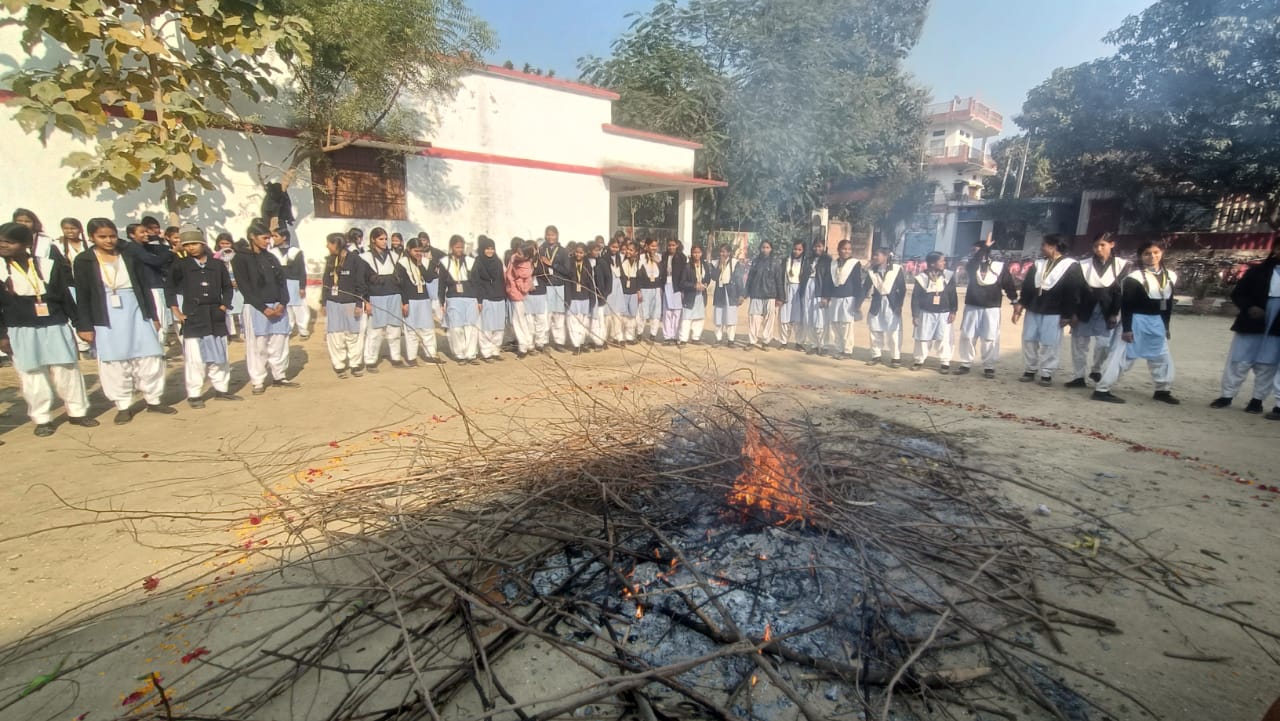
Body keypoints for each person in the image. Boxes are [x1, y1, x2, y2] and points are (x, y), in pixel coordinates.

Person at [0, 222, 97, 436]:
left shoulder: (48, 265)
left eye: (9, 242)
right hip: (20, 329)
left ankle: (77, 412)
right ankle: (42, 418)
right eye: (0, 242)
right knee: (32, 374)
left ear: (26, 243)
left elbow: (65, 297)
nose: (3, 245)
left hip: (55, 324)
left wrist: (80, 324)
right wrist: (2, 335)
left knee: (67, 370)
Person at [74, 218, 174, 424]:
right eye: (102, 237)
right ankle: (123, 404)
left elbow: (144, 286)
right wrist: (84, 325)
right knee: (115, 361)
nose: (108, 240)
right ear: (92, 237)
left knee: (149, 356)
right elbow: (83, 295)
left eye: (112, 236)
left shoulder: (128, 254)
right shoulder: (84, 260)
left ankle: (153, 399)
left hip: (136, 308)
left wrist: (153, 316)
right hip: (106, 313)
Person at [1093, 241, 1179, 404]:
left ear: (1161, 253)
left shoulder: (1170, 276)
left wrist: (1166, 326)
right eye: (1147, 253)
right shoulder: (1134, 278)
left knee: (1161, 356)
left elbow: (1167, 305)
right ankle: (1102, 389)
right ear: (1141, 256)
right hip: (1136, 321)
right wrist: (1127, 329)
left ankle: (1162, 390)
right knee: (1122, 357)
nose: (1152, 256)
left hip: (1157, 321)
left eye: (1155, 252)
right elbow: (1127, 305)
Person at [166, 225, 238, 408]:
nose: (191, 248)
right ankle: (195, 394)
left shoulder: (217, 265)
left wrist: (224, 305)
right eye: (187, 245)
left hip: (215, 315)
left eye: (194, 244)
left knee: (220, 355)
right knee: (195, 359)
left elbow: (227, 287)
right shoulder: (181, 265)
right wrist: (176, 311)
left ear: (203, 243)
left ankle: (221, 389)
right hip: (193, 316)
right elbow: (169, 288)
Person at [1210, 244, 1279, 414]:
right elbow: (1238, 294)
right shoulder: (1257, 271)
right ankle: (1227, 395)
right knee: (1239, 359)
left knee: (1268, 363)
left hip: (1277, 325)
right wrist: (1249, 307)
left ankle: (1257, 400)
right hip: (1252, 321)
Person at [233, 220, 298, 394]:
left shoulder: (271, 257)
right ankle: (258, 380)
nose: (267, 241)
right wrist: (263, 308)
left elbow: (281, 282)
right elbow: (245, 287)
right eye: (264, 238)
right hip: (256, 307)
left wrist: (282, 302)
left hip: (277, 305)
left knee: (279, 342)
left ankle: (279, 376)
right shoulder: (240, 258)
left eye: (269, 238)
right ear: (252, 237)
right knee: (258, 345)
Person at [1012, 235, 1085, 386]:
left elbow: (1073, 291)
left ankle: (1046, 373)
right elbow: (1028, 287)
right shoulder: (1038, 264)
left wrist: (1067, 314)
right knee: (1029, 339)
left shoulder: (1071, 266)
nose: (1041, 248)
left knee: (1050, 342)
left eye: (1044, 245)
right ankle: (1030, 369)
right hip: (1034, 308)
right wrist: (1021, 303)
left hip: (1055, 310)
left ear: (1053, 246)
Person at [1067, 232, 1127, 388]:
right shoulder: (1083, 265)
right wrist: (1073, 313)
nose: (1098, 249)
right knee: (1079, 344)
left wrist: (1114, 313)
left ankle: (1096, 369)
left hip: (1107, 310)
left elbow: (1120, 292)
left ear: (1112, 244)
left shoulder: (1122, 265)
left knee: (1104, 344)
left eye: (1102, 245)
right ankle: (1079, 376)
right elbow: (1075, 290)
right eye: (1095, 246)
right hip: (1084, 308)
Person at [957, 237, 1019, 378]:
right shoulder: (972, 265)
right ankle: (965, 363)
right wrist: (984, 248)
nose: (973, 253)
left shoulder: (999, 266)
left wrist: (1014, 301)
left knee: (990, 337)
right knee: (967, 335)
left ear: (985, 251)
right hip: (973, 305)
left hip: (992, 307)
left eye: (975, 250)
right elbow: (974, 263)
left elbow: (1008, 285)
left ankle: (989, 366)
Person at [123, 216, 176, 346]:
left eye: (146, 231)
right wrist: (172, 252)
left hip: (157, 285)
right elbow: (154, 261)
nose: (146, 234)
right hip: (151, 287)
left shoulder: (145, 247)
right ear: (132, 235)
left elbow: (159, 248)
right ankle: (157, 347)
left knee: (164, 319)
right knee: (159, 320)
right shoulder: (133, 248)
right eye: (142, 232)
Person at [321, 232, 367, 377]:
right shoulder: (331, 260)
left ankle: (355, 364)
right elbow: (326, 282)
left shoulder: (355, 259)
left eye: (329, 243)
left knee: (354, 335)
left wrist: (359, 303)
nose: (327, 246)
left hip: (351, 303)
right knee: (335, 335)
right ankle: (339, 365)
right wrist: (324, 302)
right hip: (333, 303)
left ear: (336, 244)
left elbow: (361, 283)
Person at [361, 227, 405, 370]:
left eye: (386, 239)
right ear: (373, 240)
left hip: (394, 296)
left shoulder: (394, 256)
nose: (384, 241)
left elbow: (401, 280)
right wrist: (366, 302)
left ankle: (396, 357)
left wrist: (402, 300)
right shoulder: (365, 257)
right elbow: (362, 282)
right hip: (376, 297)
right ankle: (370, 360)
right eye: (381, 239)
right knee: (375, 331)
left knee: (395, 329)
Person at [910, 251, 958, 372]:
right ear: (932, 263)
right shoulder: (921, 278)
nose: (944, 263)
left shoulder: (948, 276)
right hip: (926, 312)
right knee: (923, 338)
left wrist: (953, 311)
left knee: (944, 338)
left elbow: (953, 294)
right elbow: (915, 297)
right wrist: (915, 315)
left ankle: (945, 362)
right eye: (941, 261)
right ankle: (919, 360)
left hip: (944, 312)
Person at [398, 237, 442, 366]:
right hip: (410, 299)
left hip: (424, 298)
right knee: (411, 329)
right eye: (415, 251)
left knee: (427, 328)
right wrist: (404, 302)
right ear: (409, 249)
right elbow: (401, 285)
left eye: (420, 251)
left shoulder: (426, 262)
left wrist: (420, 264)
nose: (418, 253)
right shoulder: (402, 263)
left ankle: (431, 355)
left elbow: (429, 278)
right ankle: (412, 357)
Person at [819, 239, 865, 360]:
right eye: (844, 249)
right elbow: (828, 281)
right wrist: (825, 297)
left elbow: (857, 283)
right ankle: (839, 349)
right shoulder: (833, 264)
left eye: (849, 249)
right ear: (839, 250)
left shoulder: (854, 264)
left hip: (848, 298)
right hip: (835, 298)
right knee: (835, 324)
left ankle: (847, 351)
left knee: (846, 325)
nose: (846, 251)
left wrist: (858, 302)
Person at [440, 235, 480, 364]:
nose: (460, 250)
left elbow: (476, 282)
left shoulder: (470, 261)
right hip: (453, 298)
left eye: (461, 247)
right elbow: (441, 284)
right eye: (457, 247)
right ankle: (459, 354)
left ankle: (471, 354)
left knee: (471, 327)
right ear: (452, 247)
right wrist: (441, 301)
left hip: (470, 297)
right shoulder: (445, 262)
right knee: (456, 328)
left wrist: (479, 300)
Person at [864, 246, 906, 368]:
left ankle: (895, 357)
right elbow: (865, 287)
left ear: (886, 256)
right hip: (877, 304)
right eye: (874, 255)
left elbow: (902, 289)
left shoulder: (896, 269)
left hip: (892, 304)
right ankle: (876, 355)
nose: (874, 257)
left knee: (894, 332)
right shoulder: (872, 271)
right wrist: (857, 303)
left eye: (877, 255)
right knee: (875, 330)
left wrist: (899, 305)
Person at [270, 227, 310, 339]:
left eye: (276, 236)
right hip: (280, 283)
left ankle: (303, 330)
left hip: (294, 283)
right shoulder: (272, 253)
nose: (273, 238)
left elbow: (302, 270)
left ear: (284, 237)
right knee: (285, 307)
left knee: (299, 307)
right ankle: (288, 329)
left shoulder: (295, 252)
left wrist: (302, 286)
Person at [745, 240, 785, 351]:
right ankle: (752, 341)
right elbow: (750, 278)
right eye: (763, 247)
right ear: (760, 248)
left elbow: (779, 281)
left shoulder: (776, 263)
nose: (765, 249)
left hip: (770, 295)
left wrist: (781, 297)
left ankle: (766, 342)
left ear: (771, 249)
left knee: (769, 320)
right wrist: (745, 293)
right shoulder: (755, 262)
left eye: (767, 247)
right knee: (754, 319)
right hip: (756, 294)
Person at [474, 235, 507, 362]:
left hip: (499, 297)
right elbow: (476, 282)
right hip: (486, 298)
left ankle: (495, 351)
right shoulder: (478, 262)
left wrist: (504, 296)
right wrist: (479, 299)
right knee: (486, 327)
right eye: (487, 248)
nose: (490, 251)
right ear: (483, 249)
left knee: (499, 327)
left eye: (492, 248)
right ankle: (486, 353)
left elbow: (502, 280)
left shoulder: (497, 261)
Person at [537, 225, 571, 350]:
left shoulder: (563, 251)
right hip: (546, 286)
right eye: (548, 234)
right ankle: (544, 342)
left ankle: (559, 342)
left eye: (553, 235)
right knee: (546, 315)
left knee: (559, 315)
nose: (550, 237)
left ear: (557, 236)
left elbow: (567, 271)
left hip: (559, 286)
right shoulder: (541, 250)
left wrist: (552, 264)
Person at [505, 241, 536, 358]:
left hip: (519, 296)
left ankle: (523, 347)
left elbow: (524, 286)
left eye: (520, 254)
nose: (517, 255)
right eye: (517, 252)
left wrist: (516, 281)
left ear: (527, 256)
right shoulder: (514, 258)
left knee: (519, 322)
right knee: (521, 320)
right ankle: (529, 344)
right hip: (513, 293)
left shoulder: (525, 268)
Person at [711, 243, 745, 346]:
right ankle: (718, 339)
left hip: (731, 292)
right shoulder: (715, 263)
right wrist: (719, 266)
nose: (722, 254)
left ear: (729, 253)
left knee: (731, 317)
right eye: (721, 252)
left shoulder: (735, 263)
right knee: (718, 316)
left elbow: (739, 279)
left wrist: (741, 294)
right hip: (719, 291)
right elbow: (714, 277)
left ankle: (731, 339)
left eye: (724, 252)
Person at [778, 240, 809, 351]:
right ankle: (783, 342)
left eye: (799, 249)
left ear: (803, 250)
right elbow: (781, 277)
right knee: (784, 317)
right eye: (795, 249)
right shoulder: (786, 260)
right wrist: (780, 295)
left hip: (800, 292)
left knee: (799, 319)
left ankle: (799, 343)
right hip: (787, 290)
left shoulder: (806, 262)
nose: (796, 251)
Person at [565, 242, 595, 355]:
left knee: (584, 322)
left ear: (585, 253)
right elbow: (567, 282)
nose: (578, 254)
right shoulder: (569, 263)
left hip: (585, 297)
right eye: (577, 252)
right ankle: (576, 345)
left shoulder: (587, 265)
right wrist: (567, 298)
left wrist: (592, 298)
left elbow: (591, 283)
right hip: (573, 297)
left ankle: (581, 343)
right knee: (573, 322)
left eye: (581, 253)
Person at [678, 244, 712, 345]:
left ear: (701, 253)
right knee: (687, 318)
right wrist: (694, 286)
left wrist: (705, 284)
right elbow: (682, 283)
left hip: (701, 295)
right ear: (691, 254)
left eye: (698, 252)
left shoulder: (705, 265)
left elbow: (708, 278)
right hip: (690, 295)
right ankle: (683, 339)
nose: (696, 255)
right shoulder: (687, 266)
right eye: (694, 252)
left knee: (699, 318)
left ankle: (695, 338)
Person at [213, 232, 244, 340]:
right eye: (222, 243)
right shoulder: (216, 257)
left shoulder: (236, 255)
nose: (225, 246)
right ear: (218, 244)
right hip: (224, 286)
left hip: (238, 286)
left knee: (241, 309)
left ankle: (242, 331)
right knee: (228, 310)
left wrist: (238, 281)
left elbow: (242, 271)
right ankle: (231, 333)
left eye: (227, 243)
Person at [801, 239, 829, 354]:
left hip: (820, 290)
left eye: (820, 246)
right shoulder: (808, 259)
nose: (817, 249)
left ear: (824, 247)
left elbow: (828, 279)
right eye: (815, 246)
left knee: (820, 319)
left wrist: (825, 296)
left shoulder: (828, 260)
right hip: (808, 288)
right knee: (809, 317)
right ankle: (813, 344)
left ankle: (823, 345)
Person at [637, 238, 664, 342]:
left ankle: (653, 334)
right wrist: (638, 290)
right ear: (646, 246)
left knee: (656, 313)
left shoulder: (659, 257)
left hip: (656, 288)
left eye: (655, 246)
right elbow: (638, 275)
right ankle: (639, 333)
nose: (654, 248)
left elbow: (663, 273)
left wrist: (659, 263)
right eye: (652, 246)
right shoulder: (641, 258)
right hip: (645, 288)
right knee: (642, 312)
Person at [660, 238, 687, 344]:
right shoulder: (664, 256)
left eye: (673, 245)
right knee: (667, 312)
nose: (671, 247)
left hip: (677, 287)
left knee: (677, 312)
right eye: (669, 245)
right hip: (666, 284)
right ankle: (667, 336)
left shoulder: (682, 257)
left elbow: (683, 273)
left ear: (677, 245)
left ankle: (675, 336)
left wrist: (682, 289)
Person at [588, 241, 612, 350]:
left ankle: (600, 341)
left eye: (598, 250)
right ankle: (592, 340)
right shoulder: (586, 262)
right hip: (589, 294)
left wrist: (605, 293)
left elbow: (608, 278)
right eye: (594, 250)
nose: (596, 252)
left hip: (600, 295)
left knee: (600, 318)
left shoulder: (602, 262)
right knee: (591, 318)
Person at [603, 234, 627, 344]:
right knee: (607, 315)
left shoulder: (619, 258)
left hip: (618, 287)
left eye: (617, 247)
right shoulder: (604, 258)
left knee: (617, 313)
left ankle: (618, 337)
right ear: (609, 246)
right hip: (609, 287)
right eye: (613, 247)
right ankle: (605, 337)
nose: (615, 249)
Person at [617, 240, 642, 344]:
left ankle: (629, 336)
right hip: (622, 292)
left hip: (633, 292)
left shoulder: (638, 263)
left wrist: (638, 291)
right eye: (627, 249)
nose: (628, 251)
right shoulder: (621, 261)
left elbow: (639, 279)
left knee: (632, 315)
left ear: (636, 252)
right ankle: (620, 337)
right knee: (621, 315)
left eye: (631, 250)